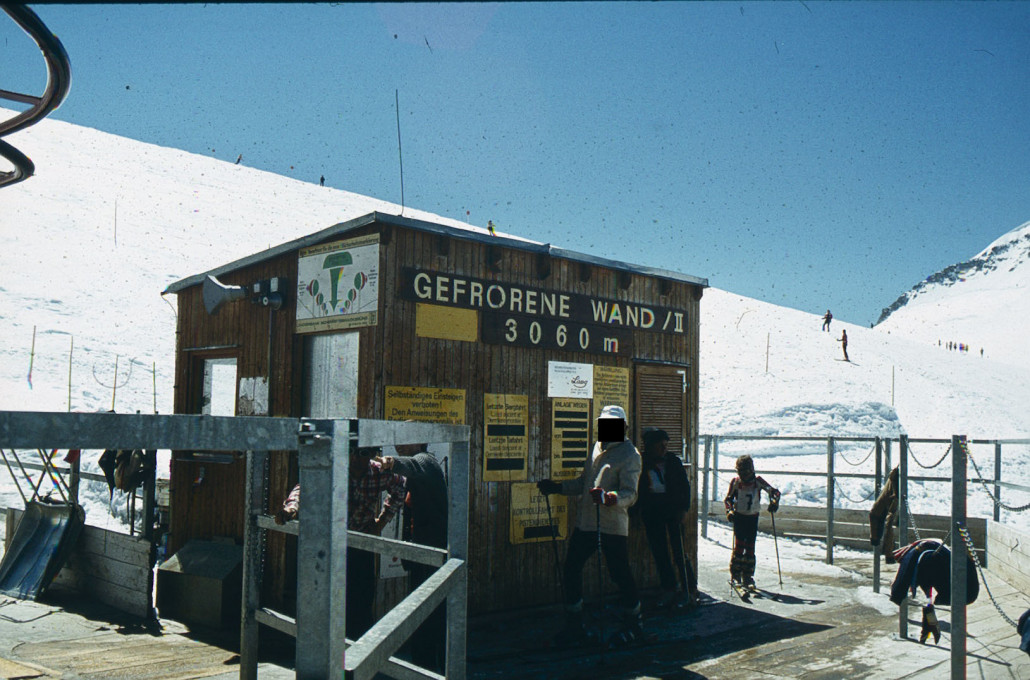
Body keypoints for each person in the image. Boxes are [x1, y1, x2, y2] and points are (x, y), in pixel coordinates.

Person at [537, 404, 643, 646]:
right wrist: (558, 488)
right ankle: (575, 625)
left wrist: (609, 498)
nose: (607, 429)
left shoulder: (630, 454)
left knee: (620, 574)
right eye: (604, 424)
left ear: (624, 427)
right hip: (586, 522)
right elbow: (584, 484)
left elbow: (631, 493)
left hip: (611, 524)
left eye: (613, 425)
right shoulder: (597, 448)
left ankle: (635, 623)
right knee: (571, 568)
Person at [274, 445, 405, 639]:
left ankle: (356, 658)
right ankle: (322, 652)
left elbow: (401, 486)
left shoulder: (378, 473)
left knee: (360, 602)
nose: (356, 458)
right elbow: (305, 487)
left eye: (363, 454)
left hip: (360, 545)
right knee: (325, 600)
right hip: (330, 545)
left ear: (371, 455)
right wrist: (292, 508)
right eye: (351, 451)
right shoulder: (334, 468)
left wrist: (382, 522)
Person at [376, 441, 448, 673]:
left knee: (431, 615)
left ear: (419, 442)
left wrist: (392, 463)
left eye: (405, 439)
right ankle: (426, 665)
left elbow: (414, 465)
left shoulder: (426, 461)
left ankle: (430, 667)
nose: (398, 444)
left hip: (433, 552)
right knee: (425, 613)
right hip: (421, 552)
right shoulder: (418, 470)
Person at [634, 427, 696, 608]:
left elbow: (685, 488)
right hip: (652, 510)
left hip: (672, 510)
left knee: (679, 550)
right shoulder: (642, 462)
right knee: (660, 552)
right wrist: (636, 512)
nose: (664, 448)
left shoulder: (673, 462)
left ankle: (689, 589)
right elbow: (639, 489)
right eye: (660, 445)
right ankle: (669, 588)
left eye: (665, 445)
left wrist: (683, 509)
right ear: (650, 446)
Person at [724, 455, 779, 588]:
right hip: (740, 517)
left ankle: (747, 575)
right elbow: (728, 499)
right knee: (739, 545)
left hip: (752, 517)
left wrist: (774, 502)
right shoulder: (736, 482)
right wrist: (729, 511)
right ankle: (736, 574)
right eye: (741, 471)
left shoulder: (758, 481)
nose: (744, 475)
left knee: (750, 546)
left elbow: (775, 493)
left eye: (746, 471)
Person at [869, 465, 899, 563]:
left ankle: (886, 551)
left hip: (884, 508)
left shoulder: (894, 478)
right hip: (885, 507)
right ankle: (887, 552)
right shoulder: (894, 477)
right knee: (887, 523)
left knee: (888, 523)